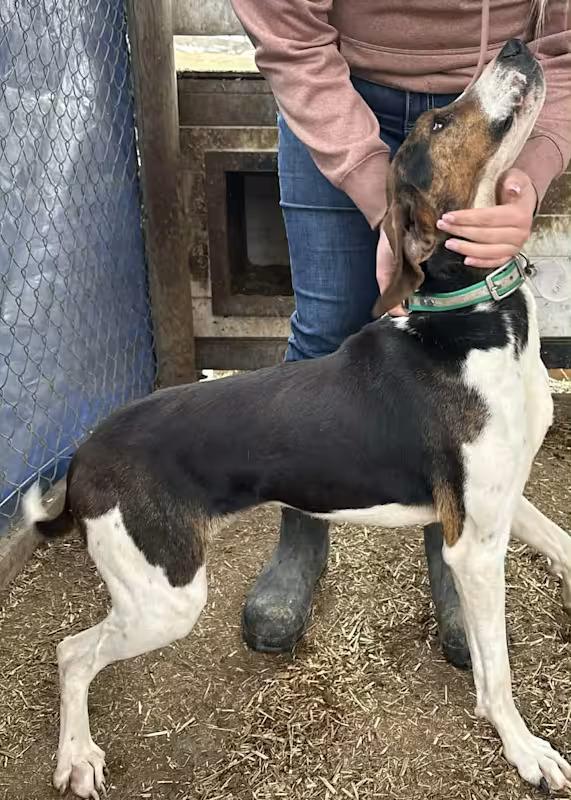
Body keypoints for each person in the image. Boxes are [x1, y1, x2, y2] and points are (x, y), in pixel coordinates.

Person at [229, 0, 571, 667]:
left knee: (456, 340)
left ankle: (455, 536)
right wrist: (380, 199)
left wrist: (524, 181)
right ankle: (302, 533)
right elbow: (288, 32)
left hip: (485, 95)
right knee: (323, 330)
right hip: (336, 83)